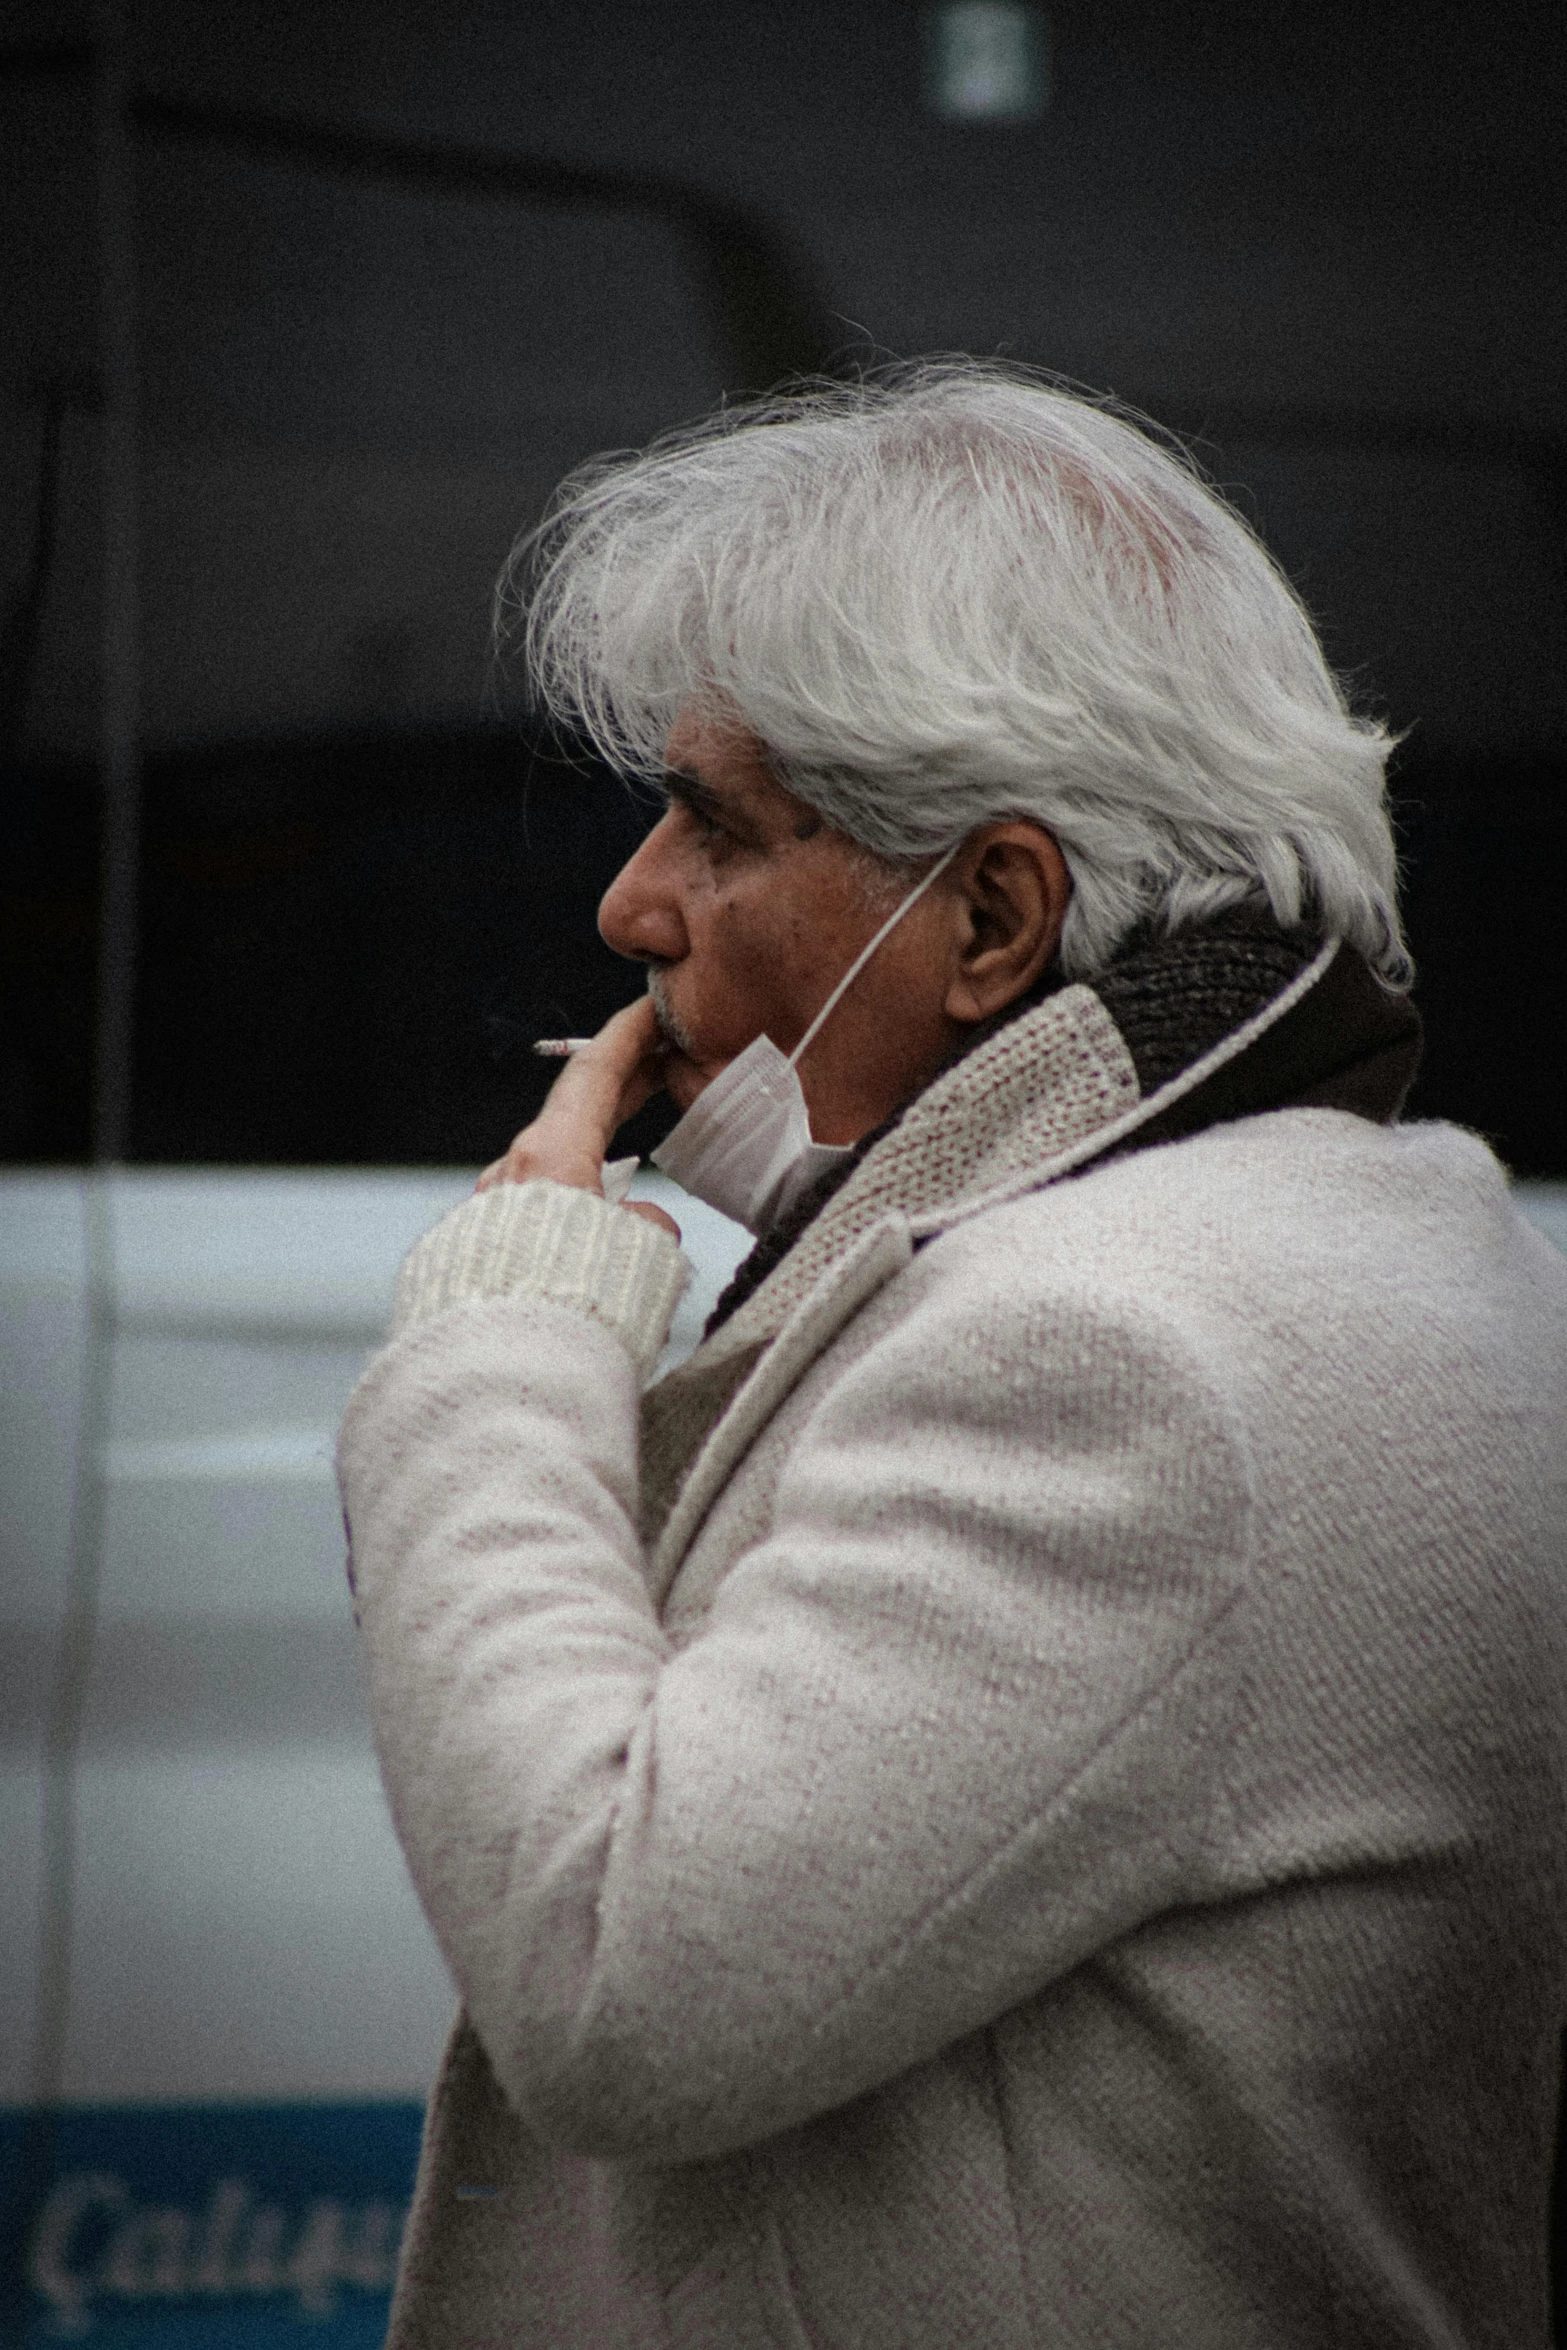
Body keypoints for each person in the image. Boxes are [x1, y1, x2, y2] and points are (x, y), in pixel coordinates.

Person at [336, 363, 1567, 2348]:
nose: (629, 899)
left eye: (711, 822)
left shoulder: (1111, 1348)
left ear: (993, 913)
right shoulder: (1388, 1218)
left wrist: (511, 1320)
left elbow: (609, 1974)